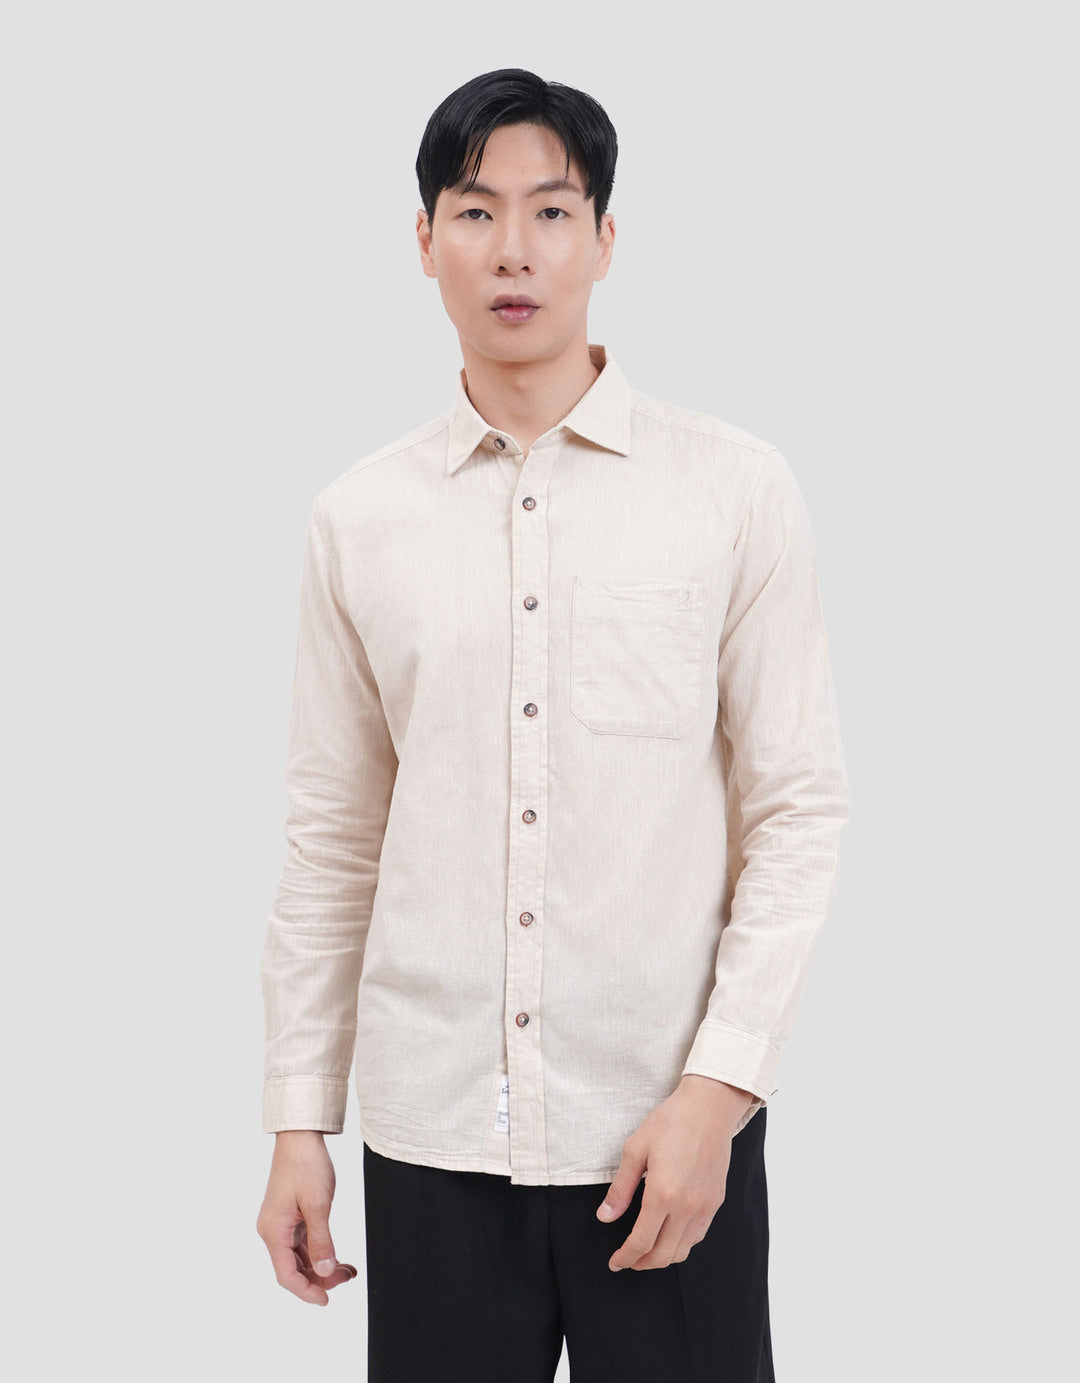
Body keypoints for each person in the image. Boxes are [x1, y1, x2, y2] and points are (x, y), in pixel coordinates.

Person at [256, 67, 851, 1383]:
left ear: (605, 239)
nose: (513, 250)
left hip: (666, 1135)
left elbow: (797, 812)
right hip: (433, 1140)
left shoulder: (732, 490)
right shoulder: (360, 518)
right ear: (425, 242)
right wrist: (300, 1119)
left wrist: (719, 1093)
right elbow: (334, 836)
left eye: (551, 211)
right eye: (475, 212)